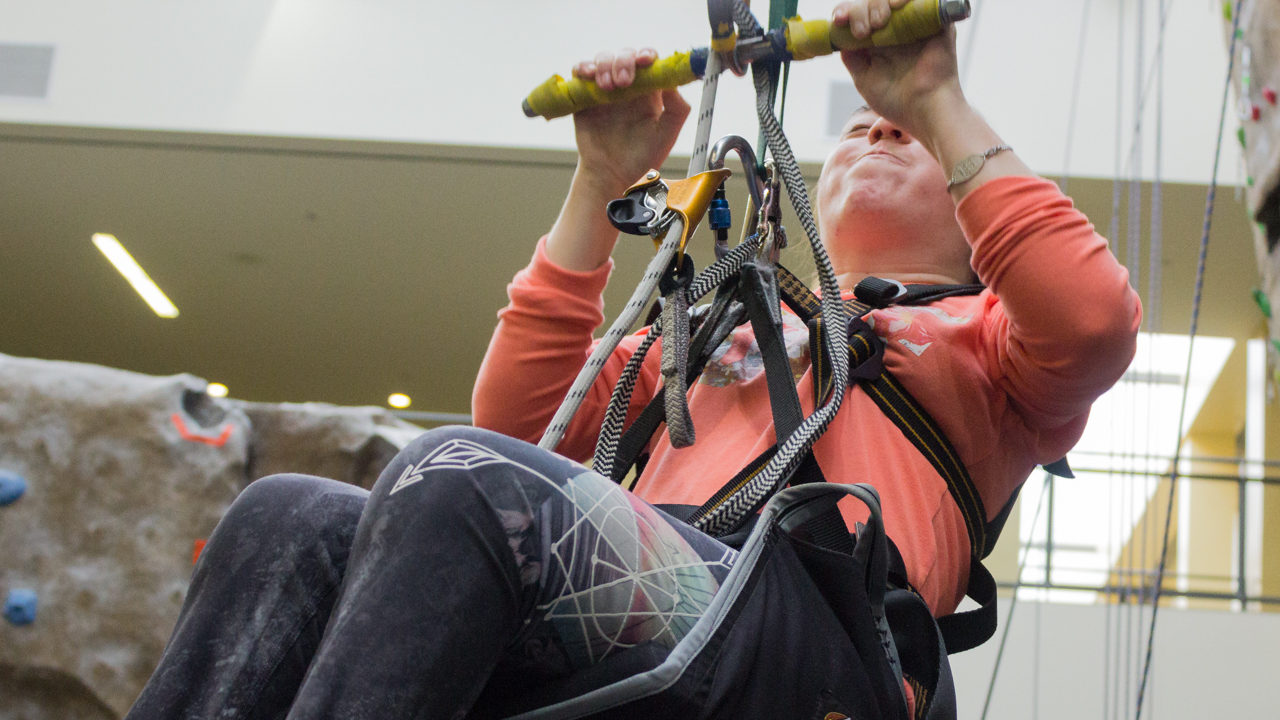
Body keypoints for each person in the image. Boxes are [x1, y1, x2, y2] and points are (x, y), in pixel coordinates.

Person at [125, 1, 1141, 718]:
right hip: (657, 597)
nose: (876, 127)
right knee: (285, 519)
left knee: (469, 484)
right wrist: (598, 183)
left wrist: (931, 99)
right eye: (872, 127)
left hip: (812, 645)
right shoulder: (715, 328)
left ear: (977, 226)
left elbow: (1091, 318)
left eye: (910, 142)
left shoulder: (991, 348)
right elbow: (519, 430)